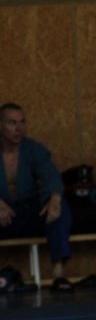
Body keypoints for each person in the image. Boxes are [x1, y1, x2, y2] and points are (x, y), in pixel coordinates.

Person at [0, 103, 73, 292]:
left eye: (22, 122)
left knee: (60, 208)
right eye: (12, 123)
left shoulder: (33, 150)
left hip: (27, 213)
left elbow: (52, 177)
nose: (19, 128)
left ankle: (58, 272)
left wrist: (55, 198)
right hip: (2, 217)